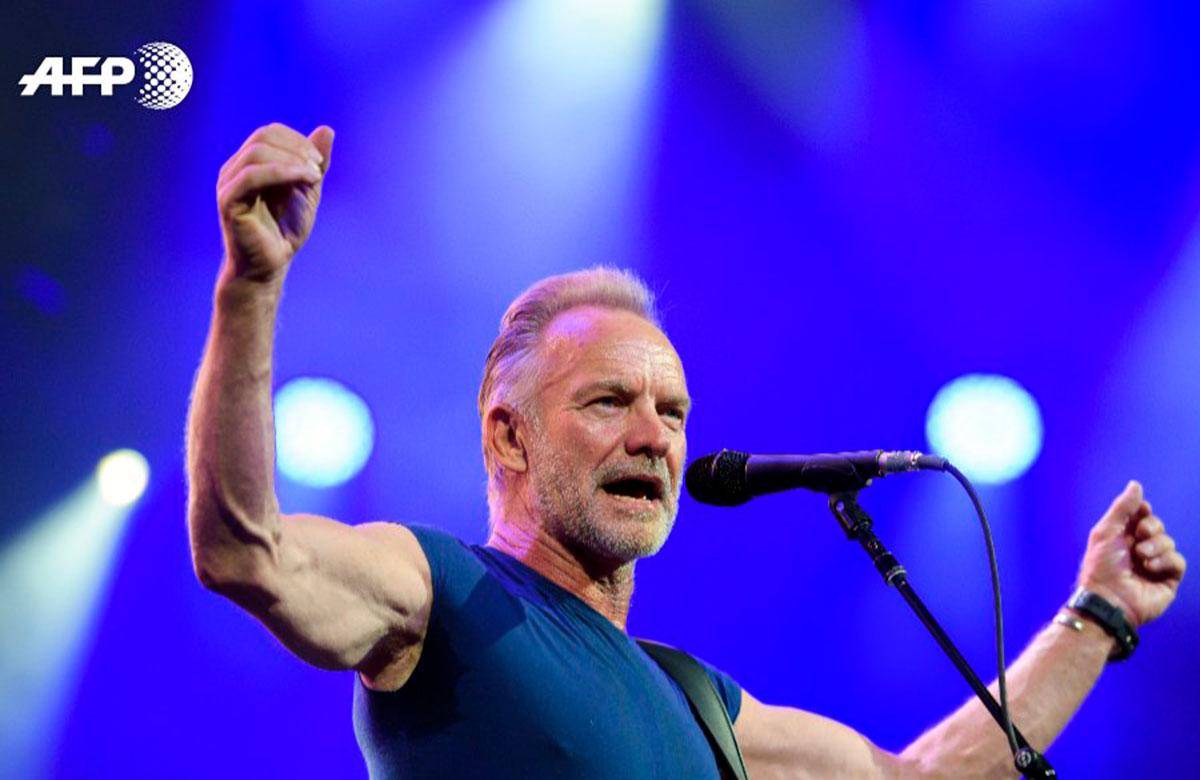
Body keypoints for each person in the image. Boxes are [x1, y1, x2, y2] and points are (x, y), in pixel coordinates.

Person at [187, 123, 1187, 778]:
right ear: (508, 435)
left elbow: (920, 776)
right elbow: (250, 553)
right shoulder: (441, 590)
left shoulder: (698, 699)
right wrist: (251, 287)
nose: (653, 437)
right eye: (608, 402)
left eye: (672, 412)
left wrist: (1099, 611)